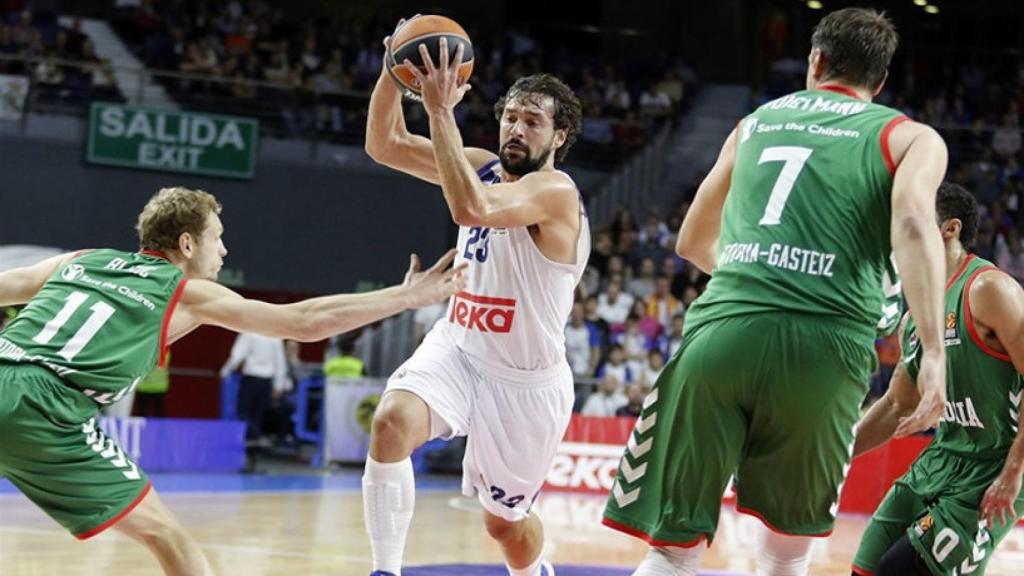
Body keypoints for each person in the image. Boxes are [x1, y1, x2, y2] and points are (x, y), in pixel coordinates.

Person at [601, 8, 951, 575]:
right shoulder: (908, 137)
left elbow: (691, 241)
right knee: (788, 550)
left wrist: (763, 276)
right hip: (824, 348)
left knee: (672, 548)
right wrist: (933, 351)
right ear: (880, 81)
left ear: (814, 60)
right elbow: (913, 225)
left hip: (723, 331)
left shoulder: (756, 122)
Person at [0, 186, 463, 575]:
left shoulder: (82, 260)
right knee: (170, 538)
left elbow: (10, 282)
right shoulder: (185, 290)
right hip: (47, 409)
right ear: (186, 245)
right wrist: (405, 297)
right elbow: (304, 321)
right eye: (217, 238)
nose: (223, 251)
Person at [362, 18, 587, 576]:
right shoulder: (482, 166)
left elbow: (472, 210)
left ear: (558, 138)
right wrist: (394, 69)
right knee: (391, 421)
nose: (516, 128)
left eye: (533, 122)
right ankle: (384, 570)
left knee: (503, 526)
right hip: (459, 348)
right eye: (511, 116)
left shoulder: (556, 193)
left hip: (525, 382)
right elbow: (383, 144)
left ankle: (534, 571)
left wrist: (439, 111)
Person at [851, 182, 1024, 576]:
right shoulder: (915, 317)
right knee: (865, 567)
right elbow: (897, 404)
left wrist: (1013, 473)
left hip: (995, 465)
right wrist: (836, 462)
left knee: (900, 570)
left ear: (950, 228)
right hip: (941, 459)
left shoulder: (989, 289)